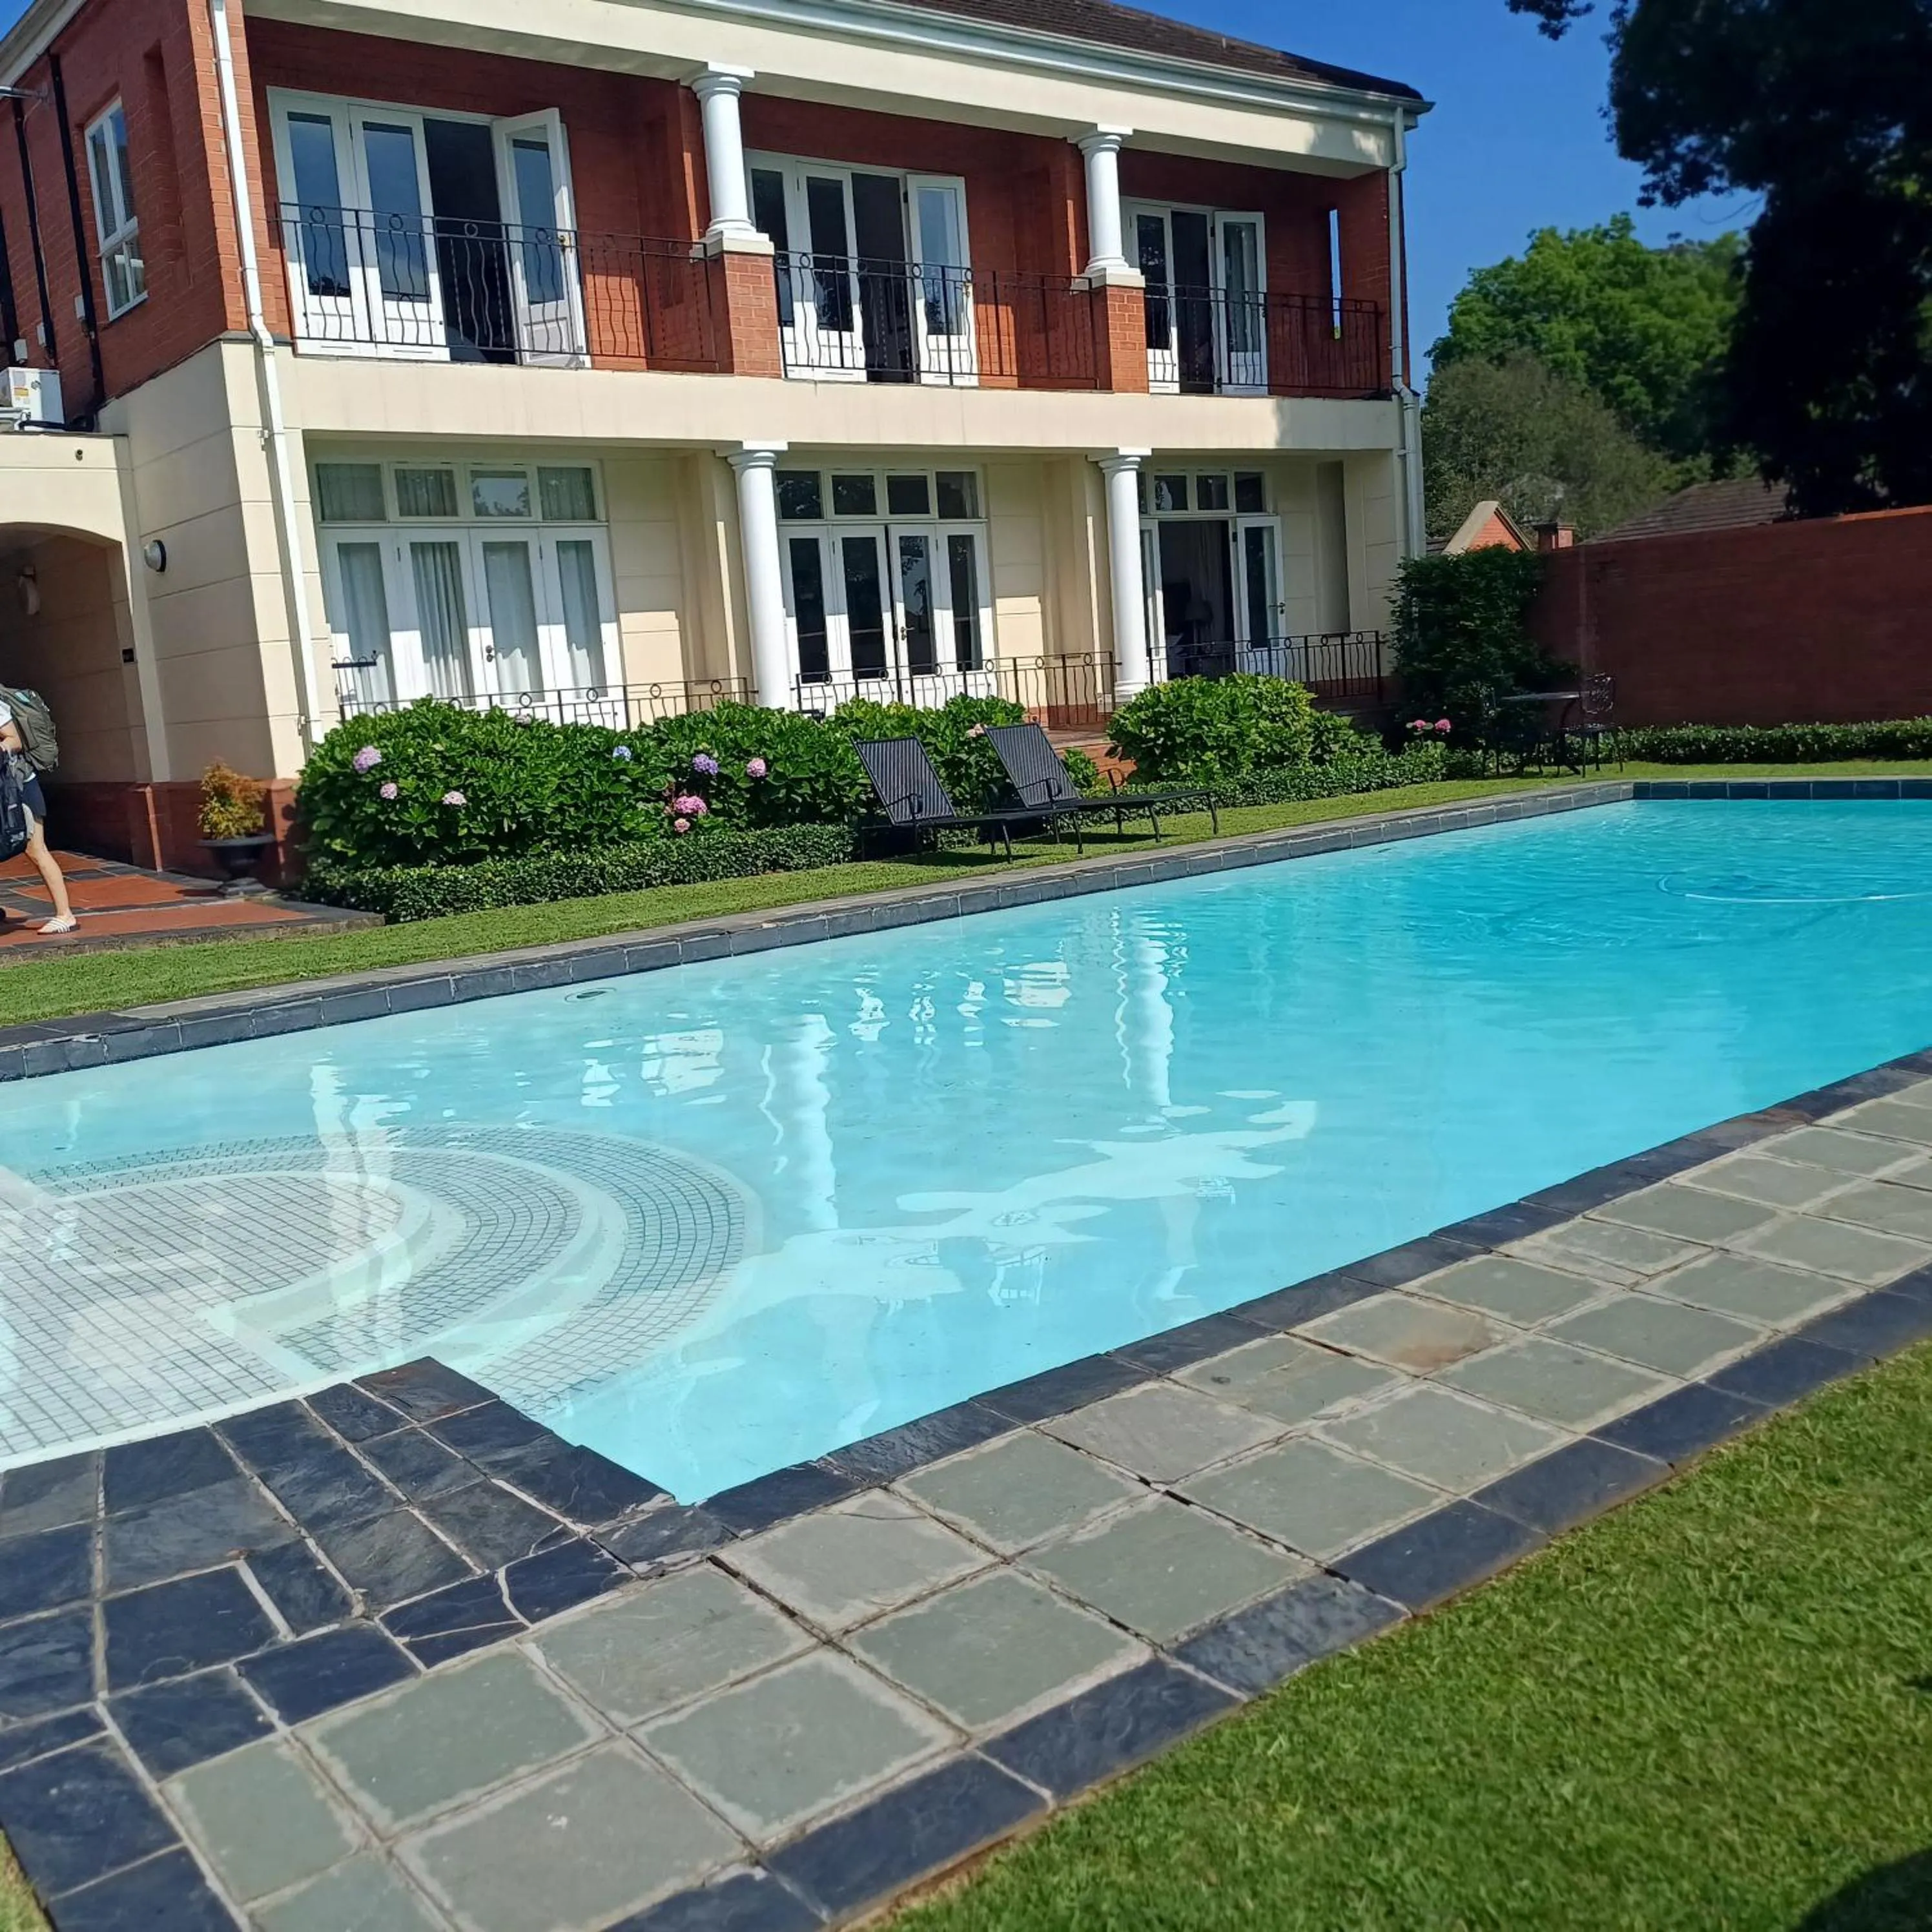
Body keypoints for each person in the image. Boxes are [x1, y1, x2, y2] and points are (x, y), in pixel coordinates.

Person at [0, 693, 75, 935]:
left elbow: (15, 740)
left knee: (36, 849)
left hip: (19, 788)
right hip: (4, 791)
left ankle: (65, 915)